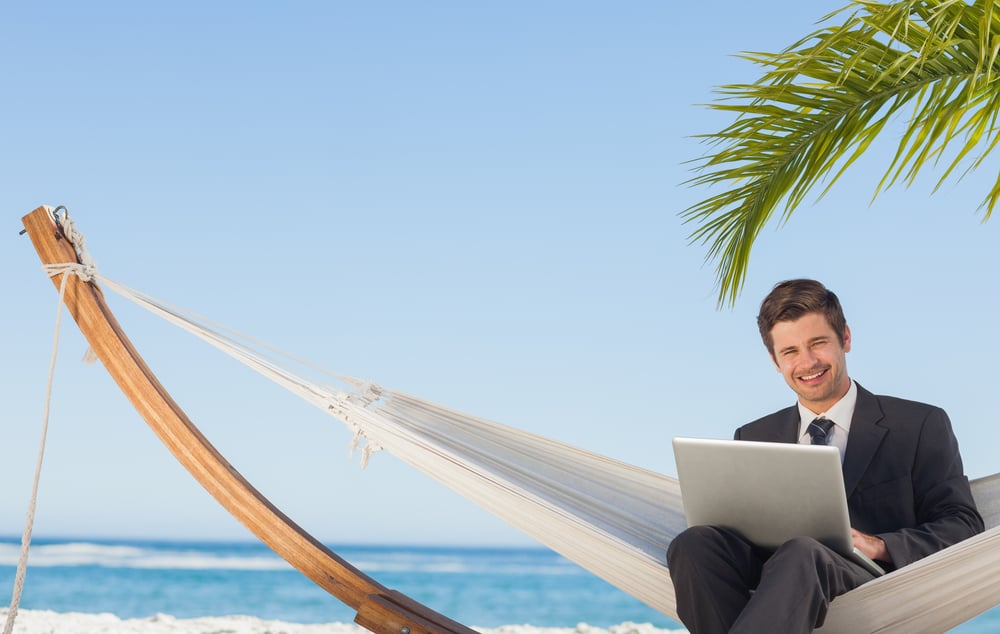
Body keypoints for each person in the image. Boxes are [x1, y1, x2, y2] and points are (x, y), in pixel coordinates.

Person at [666, 279, 984, 633]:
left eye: (818, 343)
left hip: (870, 582)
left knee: (803, 551)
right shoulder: (753, 436)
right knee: (692, 545)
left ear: (845, 338)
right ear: (775, 360)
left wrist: (879, 545)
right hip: (772, 579)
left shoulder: (919, 424)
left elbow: (962, 524)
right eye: (790, 352)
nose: (807, 362)